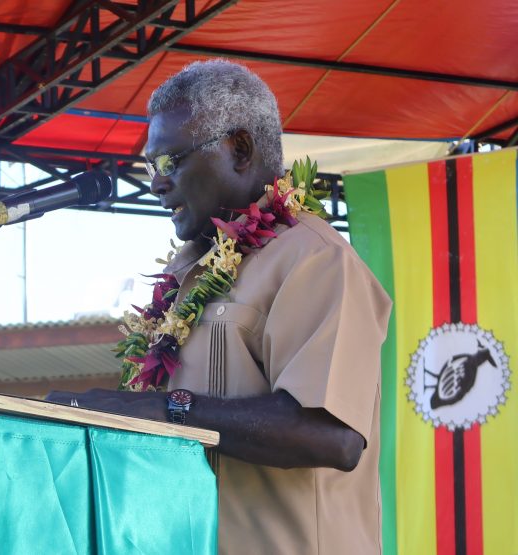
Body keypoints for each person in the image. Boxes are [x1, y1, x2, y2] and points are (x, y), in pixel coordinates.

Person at [48, 59, 392, 555]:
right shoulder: (187, 272)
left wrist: (164, 410)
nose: (155, 183)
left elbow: (330, 435)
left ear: (240, 150)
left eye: (170, 161)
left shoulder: (315, 259)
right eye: (151, 166)